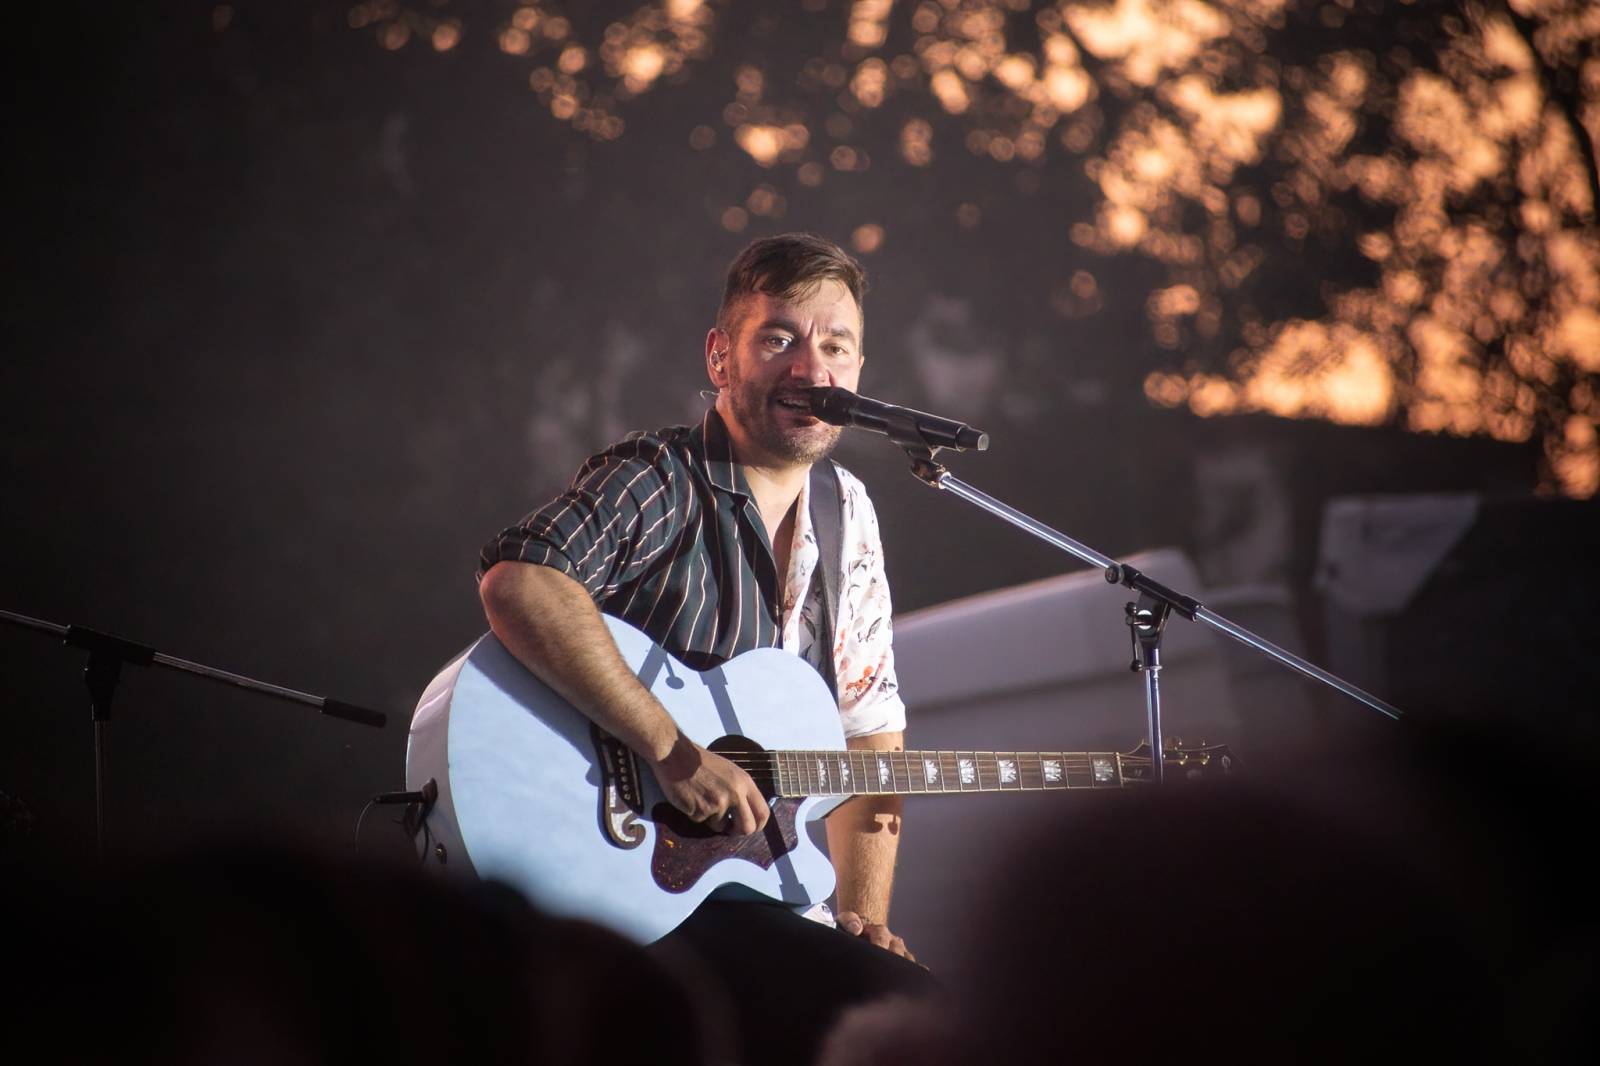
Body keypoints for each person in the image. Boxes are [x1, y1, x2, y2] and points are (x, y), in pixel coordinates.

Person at [476, 233, 936, 1062]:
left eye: (834, 345)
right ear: (721, 358)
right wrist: (673, 749)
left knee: (896, 1018)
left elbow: (870, 734)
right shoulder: (659, 477)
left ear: (858, 373)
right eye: (778, 339)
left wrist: (860, 921)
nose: (809, 367)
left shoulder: (848, 511)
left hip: (756, 894)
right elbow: (521, 581)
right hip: (625, 890)